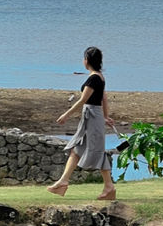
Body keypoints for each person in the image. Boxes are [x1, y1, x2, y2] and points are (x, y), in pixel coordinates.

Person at [47, 46, 116, 201]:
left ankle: (109, 187)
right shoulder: (99, 77)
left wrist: (66, 114)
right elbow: (103, 98)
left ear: (87, 60)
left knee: (96, 152)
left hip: (92, 116)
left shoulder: (94, 78)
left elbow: (84, 100)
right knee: (76, 149)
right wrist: (105, 116)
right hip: (92, 117)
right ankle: (63, 182)